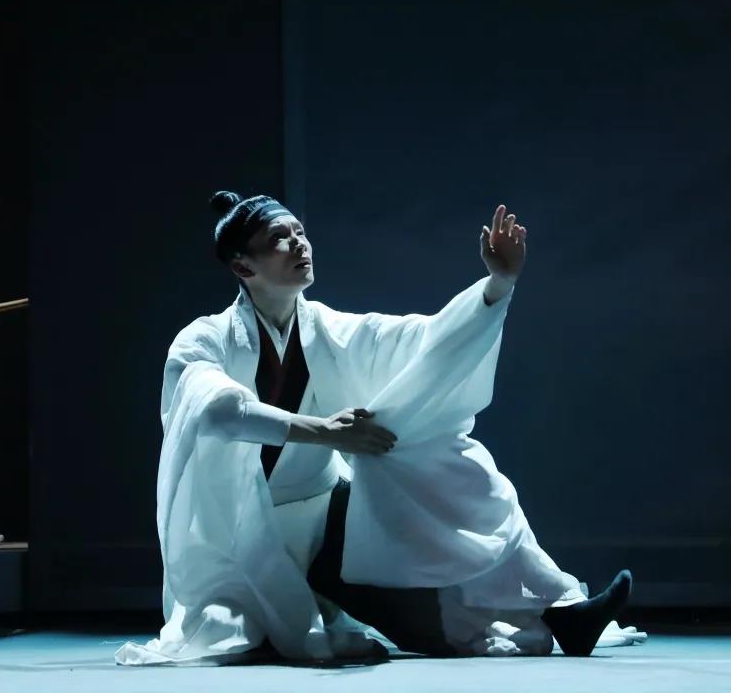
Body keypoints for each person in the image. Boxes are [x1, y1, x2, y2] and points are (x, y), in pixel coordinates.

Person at [117, 190, 644, 665]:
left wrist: (497, 284)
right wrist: (325, 432)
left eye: (300, 231)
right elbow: (215, 409)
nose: (299, 243)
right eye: (279, 238)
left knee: (435, 455)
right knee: (420, 629)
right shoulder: (205, 340)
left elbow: (423, 342)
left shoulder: (327, 329)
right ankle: (530, 618)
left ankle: (561, 611)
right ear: (242, 266)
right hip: (246, 534)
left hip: (328, 514)